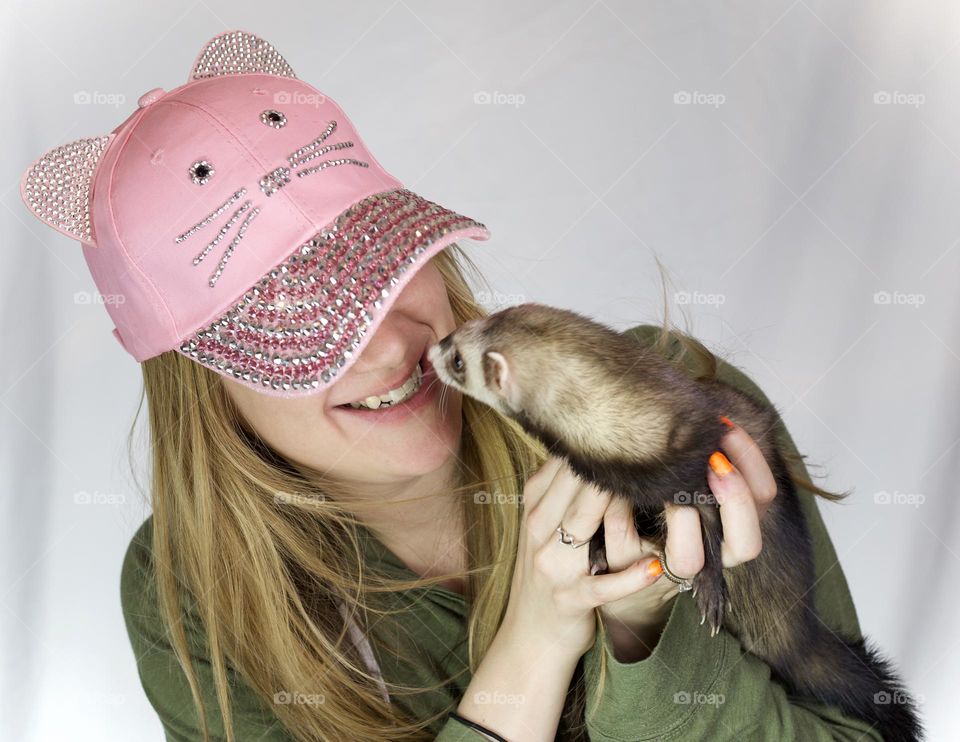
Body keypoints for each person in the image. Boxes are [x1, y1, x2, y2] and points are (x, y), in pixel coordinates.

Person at [20, 29, 884, 742]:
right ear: (204, 385)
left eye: (385, 267)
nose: (392, 344)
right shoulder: (193, 596)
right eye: (306, 327)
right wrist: (538, 644)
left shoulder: (674, 401)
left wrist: (645, 633)